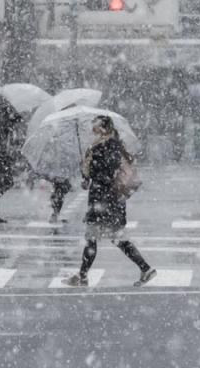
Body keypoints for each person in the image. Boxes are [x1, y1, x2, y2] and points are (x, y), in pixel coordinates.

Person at [63, 115, 156, 288]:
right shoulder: (110, 145)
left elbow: (107, 173)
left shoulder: (106, 146)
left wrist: (89, 172)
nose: (93, 129)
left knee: (95, 238)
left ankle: (83, 276)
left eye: (95, 126)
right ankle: (145, 269)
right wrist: (88, 172)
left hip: (104, 201)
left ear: (103, 127)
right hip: (108, 200)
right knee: (114, 238)